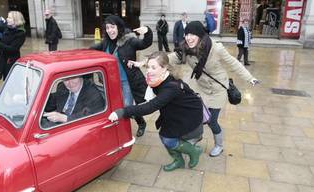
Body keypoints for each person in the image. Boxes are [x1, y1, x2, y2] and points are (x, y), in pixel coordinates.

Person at [169, 21, 259, 157]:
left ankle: (219, 145)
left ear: (200, 35)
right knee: (195, 115)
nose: (188, 37)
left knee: (212, 121)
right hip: (201, 88)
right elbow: (168, 58)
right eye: (186, 34)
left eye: (192, 34)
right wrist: (147, 62)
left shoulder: (216, 49)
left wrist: (249, 77)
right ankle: (196, 137)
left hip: (218, 89)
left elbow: (233, 63)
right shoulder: (186, 49)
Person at [109, 51, 203, 171]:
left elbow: (150, 107)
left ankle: (193, 151)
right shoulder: (158, 79)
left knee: (168, 139)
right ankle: (179, 160)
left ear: (164, 68)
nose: (149, 70)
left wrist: (122, 112)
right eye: (148, 67)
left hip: (188, 114)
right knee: (165, 135)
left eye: (153, 67)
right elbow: (151, 101)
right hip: (174, 111)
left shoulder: (170, 87)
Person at [90, 15, 152, 137]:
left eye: (112, 27)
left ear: (118, 27)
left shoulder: (129, 41)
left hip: (126, 81)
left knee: (128, 106)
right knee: (112, 105)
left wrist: (148, 32)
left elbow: (145, 43)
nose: (110, 30)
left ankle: (141, 123)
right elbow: (91, 50)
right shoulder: (105, 43)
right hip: (110, 82)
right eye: (107, 28)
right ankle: (117, 125)